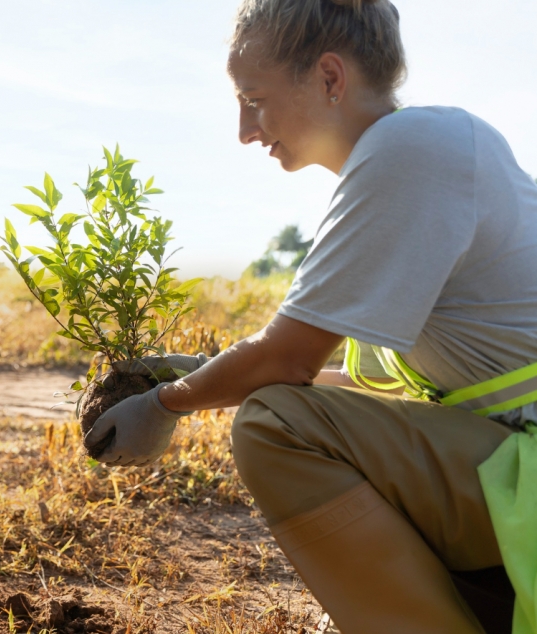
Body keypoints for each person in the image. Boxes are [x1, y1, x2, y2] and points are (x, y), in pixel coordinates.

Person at [85, 0, 537, 631]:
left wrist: (165, 405)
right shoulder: (421, 154)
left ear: (329, 78)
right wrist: (205, 372)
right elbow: (360, 394)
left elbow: (288, 360)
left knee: (275, 424)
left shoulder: (413, 149)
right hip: (513, 462)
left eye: (254, 98)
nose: (245, 129)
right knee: (279, 404)